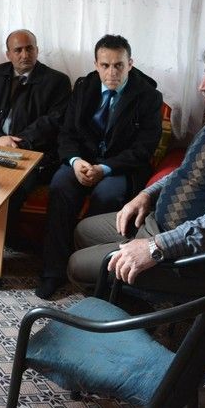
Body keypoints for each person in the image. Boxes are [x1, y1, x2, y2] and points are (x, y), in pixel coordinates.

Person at [68, 34, 205, 295]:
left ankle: (130, 310)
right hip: (158, 225)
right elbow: (187, 172)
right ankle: (118, 291)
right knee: (83, 231)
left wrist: (154, 247)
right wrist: (146, 195)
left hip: (189, 260)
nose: (201, 86)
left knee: (77, 266)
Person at [36, 34, 163, 299]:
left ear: (130, 64)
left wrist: (104, 168)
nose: (112, 72)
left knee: (107, 195)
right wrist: (75, 161)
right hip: (82, 162)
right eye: (105, 65)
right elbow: (67, 133)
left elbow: (143, 149)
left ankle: (93, 275)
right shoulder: (84, 87)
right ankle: (53, 272)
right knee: (60, 186)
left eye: (119, 65)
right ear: (96, 65)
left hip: (120, 167)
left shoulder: (149, 96)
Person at [0, 29, 71, 287]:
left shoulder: (57, 81)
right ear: (8, 54)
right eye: (18, 50)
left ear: (37, 50)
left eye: (30, 48)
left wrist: (19, 143)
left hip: (30, 155)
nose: (24, 54)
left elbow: (53, 121)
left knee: (9, 193)